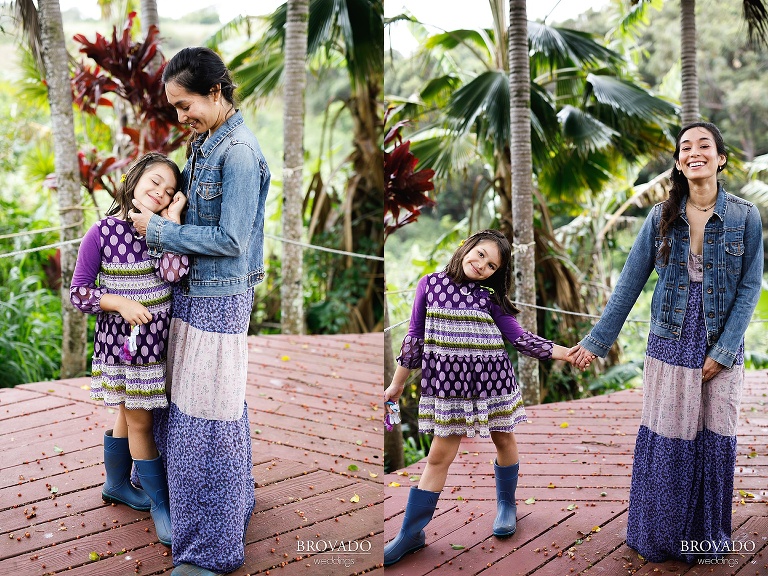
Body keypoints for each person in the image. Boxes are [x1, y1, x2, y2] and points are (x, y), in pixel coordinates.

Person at [569, 122, 764, 563]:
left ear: (721, 158)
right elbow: (629, 284)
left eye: (704, 146)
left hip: (722, 339)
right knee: (670, 435)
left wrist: (723, 350)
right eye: (685, 147)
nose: (694, 152)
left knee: (716, 437)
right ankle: (662, 537)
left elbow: (751, 287)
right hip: (671, 338)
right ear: (679, 162)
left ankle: (706, 538)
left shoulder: (744, 216)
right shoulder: (661, 217)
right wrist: (596, 343)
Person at [129, 46, 270, 576]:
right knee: (205, 410)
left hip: (220, 299)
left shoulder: (237, 151)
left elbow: (232, 239)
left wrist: (159, 230)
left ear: (215, 92)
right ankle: (232, 507)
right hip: (194, 294)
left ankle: (210, 552)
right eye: (174, 108)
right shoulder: (208, 139)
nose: (180, 117)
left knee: (207, 422)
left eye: (185, 105)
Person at [383, 229, 584, 566]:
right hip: (448, 387)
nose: (482, 265)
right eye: (480, 255)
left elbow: (520, 339)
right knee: (437, 457)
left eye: (491, 265)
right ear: (466, 247)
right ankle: (410, 533)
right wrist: (397, 384)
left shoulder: (489, 296)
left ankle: (507, 506)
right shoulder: (429, 285)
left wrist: (566, 353)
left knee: (503, 439)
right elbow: (415, 338)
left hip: (492, 381)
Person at [70, 152, 188, 547]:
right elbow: (80, 292)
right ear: (134, 179)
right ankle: (160, 505)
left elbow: (175, 274)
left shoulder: (160, 233)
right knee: (139, 421)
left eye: (169, 191)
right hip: (122, 346)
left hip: (154, 346)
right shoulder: (102, 232)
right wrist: (119, 302)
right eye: (154, 182)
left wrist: (169, 225)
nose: (160, 192)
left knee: (127, 410)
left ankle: (117, 483)